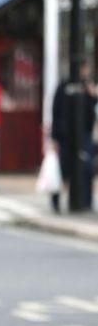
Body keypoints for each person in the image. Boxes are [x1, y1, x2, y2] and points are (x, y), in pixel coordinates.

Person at [51, 60, 97, 212]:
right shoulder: (64, 86)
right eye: (84, 68)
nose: (86, 71)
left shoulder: (87, 87)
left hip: (84, 135)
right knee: (63, 169)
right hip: (65, 136)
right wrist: (54, 136)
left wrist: (93, 96)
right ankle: (56, 201)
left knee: (86, 169)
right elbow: (56, 111)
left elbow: (93, 111)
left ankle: (86, 202)